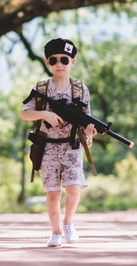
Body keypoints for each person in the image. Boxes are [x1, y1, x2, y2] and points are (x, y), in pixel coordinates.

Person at [21, 37, 98, 247]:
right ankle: (55, 232)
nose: (59, 64)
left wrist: (89, 133)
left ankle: (68, 223)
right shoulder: (42, 88)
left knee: (74, 188)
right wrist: (44, 115)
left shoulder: (79, 88)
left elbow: (86, 119)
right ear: (47, 63)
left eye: (64, 59)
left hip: (71, 146)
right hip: (47, 148)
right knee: (53, 193)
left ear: (73, 61)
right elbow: (25, 114)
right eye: (53, 60)